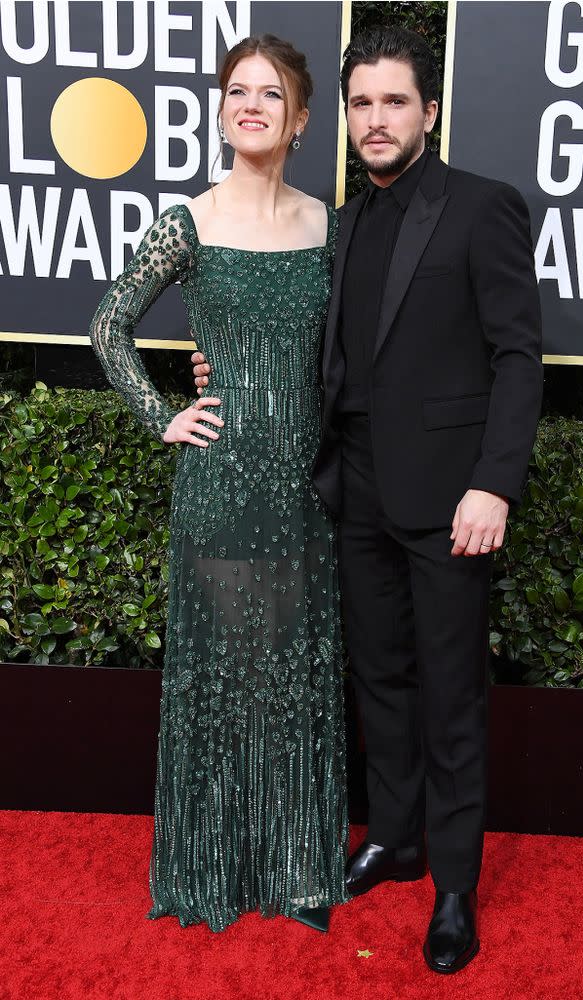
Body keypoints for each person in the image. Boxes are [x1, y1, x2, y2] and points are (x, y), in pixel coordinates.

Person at [193, 26, 543, 972]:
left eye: (395, 101)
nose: (377, 120)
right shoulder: (342, 224)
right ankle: (396, 837)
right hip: (358, 495)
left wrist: (493, 484)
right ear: (343, 117)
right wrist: (217, 360)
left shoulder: (482, 209)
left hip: (451, 504)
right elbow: (306, 343)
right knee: (380, 682)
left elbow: (518, 356)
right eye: (362, 103)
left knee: (451, 697)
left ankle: (457, 889)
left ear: (431, 111)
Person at [90, 34, 348, 935]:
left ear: (302, 119)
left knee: (292, 672)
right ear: (221, 107)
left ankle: (293, 859)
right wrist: (164, 413)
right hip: (225, 479)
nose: (251, 106)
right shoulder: (188, 221)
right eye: (237, 91)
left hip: (306, 484)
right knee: (232, 673)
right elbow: (109, 324)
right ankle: (214, 865)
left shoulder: (328, 226)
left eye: (270, 95)